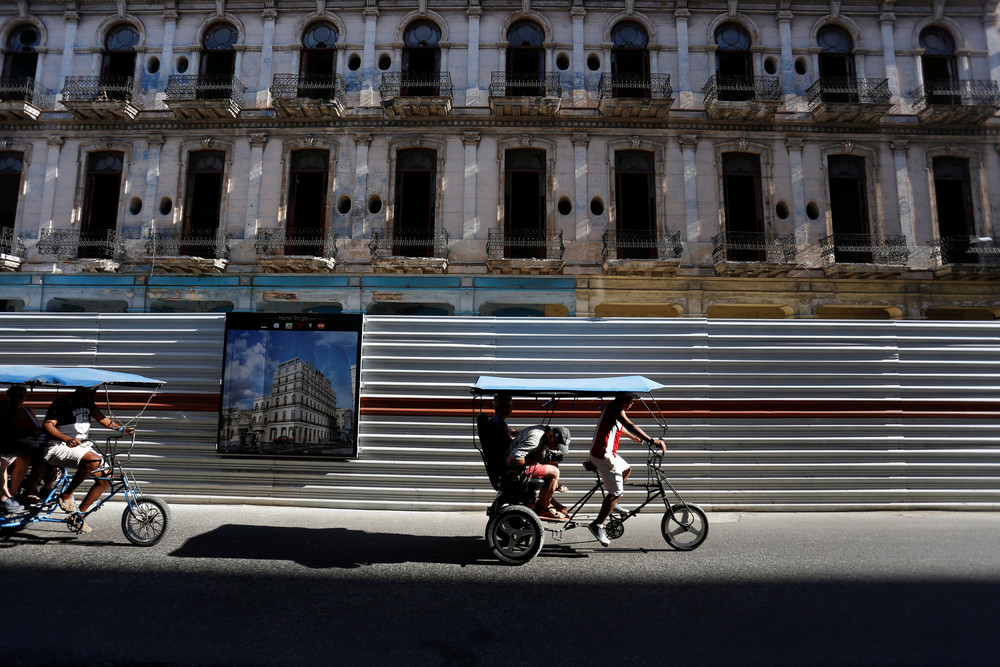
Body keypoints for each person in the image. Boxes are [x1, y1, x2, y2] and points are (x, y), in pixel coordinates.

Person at [41, 385, 133, 533]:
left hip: (81, 447)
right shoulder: (62, 402)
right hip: (57, 446)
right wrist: (66, 438)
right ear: (80, 388)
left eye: (95, 391)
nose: (94, 393)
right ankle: (66, 495)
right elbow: (48, 425)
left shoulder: (88, 402)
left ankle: (78, 516)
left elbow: (103, 419)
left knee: (106, 478)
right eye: (91, 390)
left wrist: (121, 429)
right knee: (93, 461)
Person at [588, 393, 665, 547]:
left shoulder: (613, 409)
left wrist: (632, 437)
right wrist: (651, 440)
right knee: (616, 492)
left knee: (626, 469)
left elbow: (621, 428)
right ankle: (597, 525)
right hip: (603, 455)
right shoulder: (615, 408)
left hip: (608, 454)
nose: (632, 403)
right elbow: (630, 425)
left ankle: (613, 505)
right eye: (630, 400)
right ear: (621, 399)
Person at [507, 424, 571, 521]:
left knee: (553, 463)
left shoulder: (543, 431)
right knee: (554, 472)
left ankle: (549, 498)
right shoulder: (535, 440)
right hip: (514, 469)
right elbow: (512, 460)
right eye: (557, 446)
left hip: (522, 465)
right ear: (551, 436)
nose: (557, 449)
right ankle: (544, 508)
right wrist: (534, 460)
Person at [0, 385, 44, 508]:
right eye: (14, 395)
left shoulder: (28, 410)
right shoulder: (3, 411)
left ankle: (14, 494)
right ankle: (6, 496)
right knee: (5, 461)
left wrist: (35, 432)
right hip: (6, 447)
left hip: (25, 447)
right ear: (8, 396)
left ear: (25, 397)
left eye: (21, 396)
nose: (17, 398)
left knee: (27, 458)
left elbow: (37, 427)